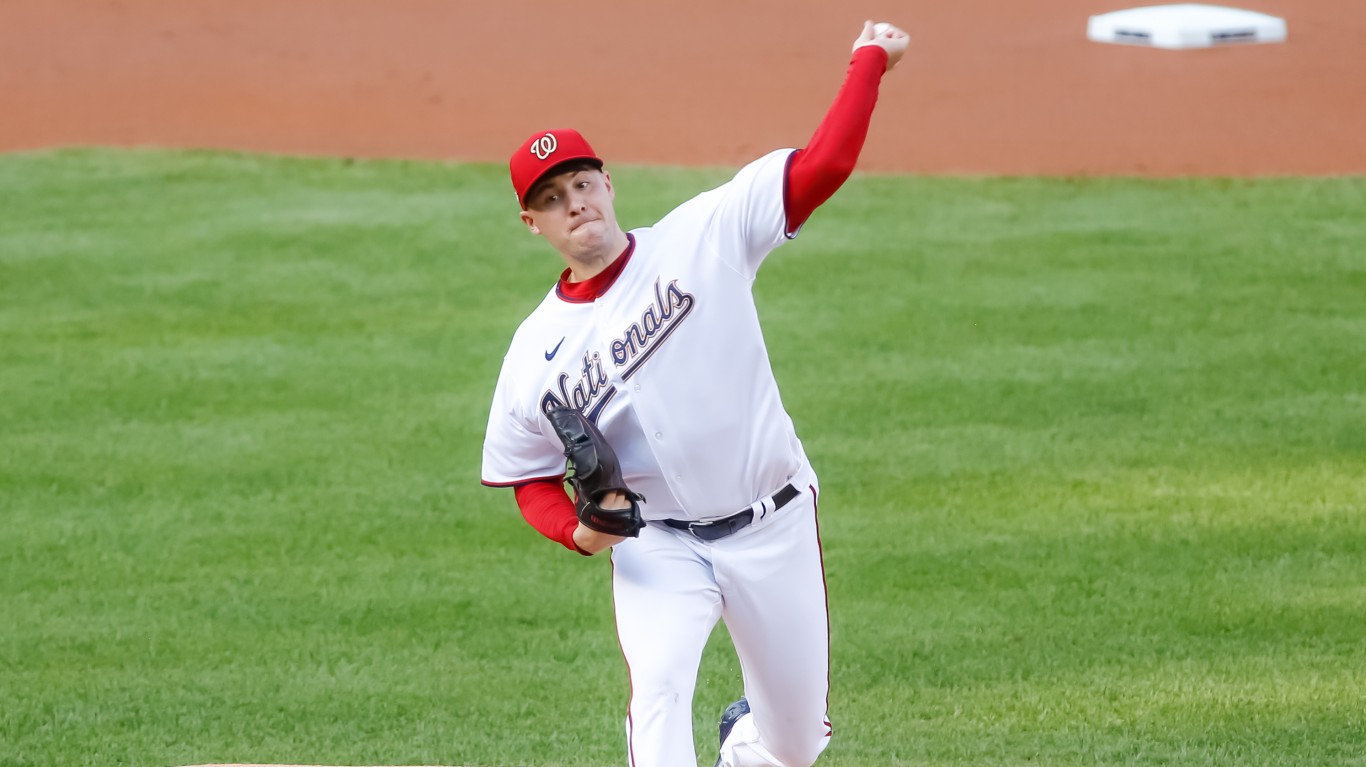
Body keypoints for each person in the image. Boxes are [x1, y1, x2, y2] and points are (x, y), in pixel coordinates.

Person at [481, 20, 910, 767]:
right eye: (553, 197)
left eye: (582, 183)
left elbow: (825, 164)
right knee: (659, 694)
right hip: (658, 543)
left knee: (795, 744)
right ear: (533, 222)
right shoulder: (534, 353)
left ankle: (744, 740)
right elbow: (525, 476)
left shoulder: (702, 235)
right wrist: (578, 532)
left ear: (608, 184)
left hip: (771, 521)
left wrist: (868, 61)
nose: (575, 202)